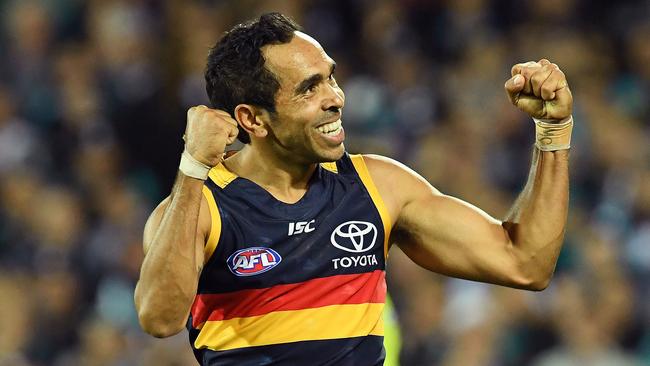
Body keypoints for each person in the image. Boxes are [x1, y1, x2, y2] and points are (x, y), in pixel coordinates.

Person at [134, 12, 573, 366]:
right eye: (310, 88)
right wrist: (193, 170)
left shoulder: (377, 186)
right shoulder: (203, 206)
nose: (336, 97)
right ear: (253, 119)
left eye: (331, 77)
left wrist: (552, 131)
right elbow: (159, 318)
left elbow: (525, 263)